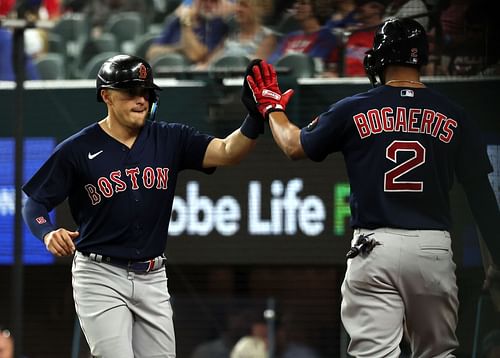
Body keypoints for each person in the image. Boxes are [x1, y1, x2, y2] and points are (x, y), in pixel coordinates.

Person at [244, 18, 500, 357]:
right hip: (432, 249)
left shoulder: (355, 106)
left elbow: (293, 146)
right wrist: (496, 262)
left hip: (374, 247)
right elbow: (482, 198)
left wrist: (273, 109)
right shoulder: (456, 114)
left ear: (378, 58)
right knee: (437, 354)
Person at [21, 53, 264, 358]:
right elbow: (34, 201)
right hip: (100, 274)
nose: (141, 100)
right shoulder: (77, 149)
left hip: (153, 275)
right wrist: (46, 233)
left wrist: (254, 119)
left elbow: (228, 151)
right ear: (106, 96)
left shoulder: (170, 137)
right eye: (131, 92)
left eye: (146, 92)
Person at [145, 0, 231, 65]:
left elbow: (195, 56)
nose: (208, 5)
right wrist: (180, 49)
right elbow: (152, 53)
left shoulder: (217, 25)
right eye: (204, 1)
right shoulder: (175, 21)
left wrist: (186, 23)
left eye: (213, 1)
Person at [265, 0, 339, 76]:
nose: (296, 6)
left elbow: (310, 62)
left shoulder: (326, 36)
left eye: (303, 3)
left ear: (317, 8)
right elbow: (272, 61)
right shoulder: (291, 36)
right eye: (296, 3)